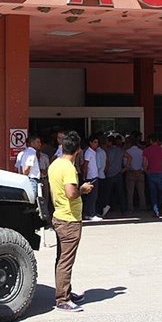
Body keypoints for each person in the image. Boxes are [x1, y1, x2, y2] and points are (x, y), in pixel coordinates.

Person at [48, 130, 92, 312]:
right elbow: (71, 193)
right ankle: (63, 299)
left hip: (59, 215)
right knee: (66, 260)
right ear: (78, 150)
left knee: (61, 258)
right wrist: (82, 189)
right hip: (69, 218)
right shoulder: (68, 168)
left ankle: (65, 291)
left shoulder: (54, 164)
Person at [143, 134, 162, 218]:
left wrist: (146, 171)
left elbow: (145, 164)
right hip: (160, 173)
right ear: (157, 141)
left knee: (153, 193)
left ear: (151, 141)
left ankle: (156, 211)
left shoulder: (146, 150)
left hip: (151, 173)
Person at [102, 135, 126, 215]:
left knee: (108, 193)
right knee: (121, 192)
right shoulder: (121, 150)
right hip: (119, 173)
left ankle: (106, 208)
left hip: (110, 174)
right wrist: (125, 168)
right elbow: (129, 157)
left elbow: (107, 163)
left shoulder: (107, 151)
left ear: (110, 142)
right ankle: (123, 209)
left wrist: (104, 171)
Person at [124, 136, 146, 213]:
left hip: (130, 173)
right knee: (141, 192)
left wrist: (130, 169)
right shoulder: (142, 151)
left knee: (130, 193)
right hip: (140, 173)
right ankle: (143, 207)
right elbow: (144, 163)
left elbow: (125, 163)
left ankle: (130, 208)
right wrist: (141, 170)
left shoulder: (127, 151)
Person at [82, 136, 102, 221]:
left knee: (92, 196)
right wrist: (85, 176)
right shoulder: (88, 152)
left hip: (94, 175)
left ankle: (88, 213)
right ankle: (91, 214)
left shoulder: (94, 152)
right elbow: (85, 165)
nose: (96, 144)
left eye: (97, 142)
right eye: (95, 142)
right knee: (92, 197)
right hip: (91, 177)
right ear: (90, 143)